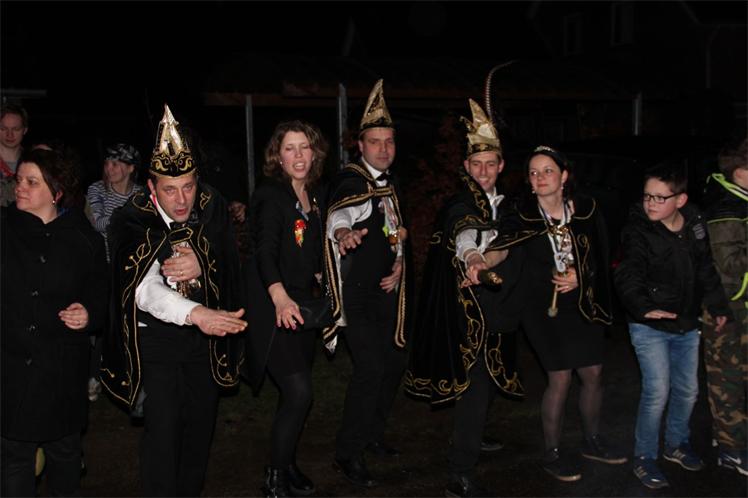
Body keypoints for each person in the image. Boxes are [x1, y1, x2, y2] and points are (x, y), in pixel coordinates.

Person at [100, 105, 247, 496]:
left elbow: (230, 257)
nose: (182, 199)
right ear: (151, 187)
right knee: (163, 431)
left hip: (203, 342)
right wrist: (195, 312)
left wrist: (202, 260)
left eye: (188, 186)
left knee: (200, 428)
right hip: (157, 341)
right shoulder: (130, 219)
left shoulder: (211, 205)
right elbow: (143, 290)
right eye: (170, 189)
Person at [404, 99, 524, 497]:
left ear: (501, 166)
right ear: (466, 167)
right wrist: (474, 259)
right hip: (466, 311)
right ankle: (460, 471)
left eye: (490, 164)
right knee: (475, 387)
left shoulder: (509, 206)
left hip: (499, 307)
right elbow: (464, 237)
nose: (484, 171)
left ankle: (474, 436)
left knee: (490, 380)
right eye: (477, 164)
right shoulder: (459, 204)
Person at [494, 145, 626, 482]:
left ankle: (592, 440)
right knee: (561, 377)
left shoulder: (586, 209)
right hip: (541, 308)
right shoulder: (521, 214)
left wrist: (582, 275)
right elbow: (502, 248)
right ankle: (551, 452)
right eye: (533, 172)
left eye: (548, 171)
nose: (540, 178)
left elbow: (602, 252)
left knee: (593, 372)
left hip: (581, 302)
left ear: (564, 175)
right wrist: (478, 260)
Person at [614, 161, 731, 489]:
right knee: (657, 391)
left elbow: (705, 267)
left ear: (680, 200)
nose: (650, 203)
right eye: (646, 196)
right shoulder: (637, 230)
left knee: (688, 390)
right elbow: (627, 272)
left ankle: (676, 443)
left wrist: (718, 306)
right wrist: (643, 306)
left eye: (659, 197)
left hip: (686, 322)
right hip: (649, 325)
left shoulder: (694, 222)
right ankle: (644, 456)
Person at [1, 148, 108, 496]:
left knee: (64, 455)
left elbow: (101, 295)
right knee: (14, 457)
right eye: (19, 180)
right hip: (11, 365)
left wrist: (88, 313)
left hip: (60, 368)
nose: (20, 187)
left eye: (32, 182)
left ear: (56, 192)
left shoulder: (83, 238)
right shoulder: (4, 229)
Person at [324, 79, 409, 487]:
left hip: (385, 291)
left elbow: (394, 231)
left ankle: (372, 434)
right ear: (360, 145)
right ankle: (347, 452)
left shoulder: (391, 183)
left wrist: (400, 261)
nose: (383, 149)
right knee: (370, 368)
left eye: (389, 142)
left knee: (393, 363)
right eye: (375, 142)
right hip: (356, 295)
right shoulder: (352, 180)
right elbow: (341, 215)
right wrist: (343, 234)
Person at [245, 120, 329, 497]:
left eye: (304, 147)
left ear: (314, 153)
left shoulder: (314, 194)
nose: (298, 155)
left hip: (303, 308)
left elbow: (310, 251)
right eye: (289, 148)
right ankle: (274, 477)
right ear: (277, 156)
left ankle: (287, 462)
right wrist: (279, 297)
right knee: (299, 392)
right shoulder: (270, 195)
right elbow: (264, 251)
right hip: (274, 306)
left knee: (294, 395)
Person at [702, 138, 748, 476]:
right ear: (740, 172)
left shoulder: (739, 201)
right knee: (727, 381)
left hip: (739, 307)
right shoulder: (725, 208)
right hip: (728, 311)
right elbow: (728, 266)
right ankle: (731, 449)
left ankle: (731, 439)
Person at [85, 143, 144, 402]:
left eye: (116, 163)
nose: (110, 169)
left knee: (131, 323)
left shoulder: (141, 193)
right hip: (103, 267)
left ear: (130, 168)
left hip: (134, 267)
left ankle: (133, 378)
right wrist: (129, 218)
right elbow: (97, 223)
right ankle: (94, 377)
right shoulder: (97, 190)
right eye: (107, 163)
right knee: (105, 321)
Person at [0, 104, 29, 206]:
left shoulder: (34, 162)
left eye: (16, 129)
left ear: (25, 130)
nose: (9, 135)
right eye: (3, 128)